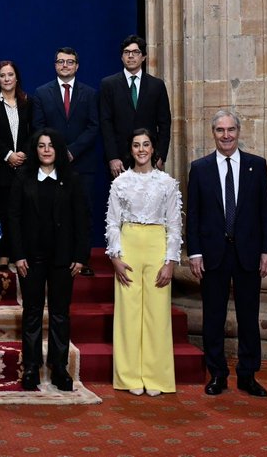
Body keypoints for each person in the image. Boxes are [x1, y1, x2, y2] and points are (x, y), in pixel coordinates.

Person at [186, 110, 267, 398]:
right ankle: (218, 375)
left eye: (231, 130)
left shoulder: (256, 166)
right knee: (213, 317)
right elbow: (194, 216)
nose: (226, 135)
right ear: (213, 133)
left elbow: (266, 212)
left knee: (249, 317)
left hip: (249, 254)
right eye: (220, 130)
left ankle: (248, 375)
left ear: (239, 131)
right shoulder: (199, 168)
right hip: (213, 255)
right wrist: (195, 253)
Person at [6, 129, 90, 392]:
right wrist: (17, 254)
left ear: (58, 149)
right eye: (41, 145)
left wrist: (80, 256)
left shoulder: (71, 179)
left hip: (63, 259)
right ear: (35, 149)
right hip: (29, 258)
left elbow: (82, 220)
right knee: (32, 313)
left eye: (51, 145)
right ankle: (31, 368)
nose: (46, 150)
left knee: (59, 314)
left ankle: (59, 368)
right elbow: (14, 219)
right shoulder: (23, 178)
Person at [105, 128, 181, 396]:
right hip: (129, 245)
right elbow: (113, 222)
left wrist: (170, 261)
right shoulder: (120, 182)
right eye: (136, 145)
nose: (141, 149)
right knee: (128, 313)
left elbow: (174, 225)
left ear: (152, 149)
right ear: (131, 149)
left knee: (157, 315)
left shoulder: (167, 183)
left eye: (146, 144)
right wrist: (115, 257)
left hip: (156, 246)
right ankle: (129, 377)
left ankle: (156, 377)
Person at [31, 47, 101, 252]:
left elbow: (93, 126)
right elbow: (38, 126)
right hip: (50, 163)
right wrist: (57, 151)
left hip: (82, 163)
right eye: (60, 61)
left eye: (69, 62)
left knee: (82, 211)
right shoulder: (42, 93)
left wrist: (72, 151)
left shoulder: (89, 93)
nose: (65, 65)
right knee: (52, 210)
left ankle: (82, 257)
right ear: (55, 66)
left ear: (77, 66)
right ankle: (54, 254)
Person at [99, 35, 172, 178]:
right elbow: (105, 123)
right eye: (126, 52)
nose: (131, 56)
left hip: (150, 158)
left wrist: (161, 156)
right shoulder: (108, 84)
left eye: (135, 52)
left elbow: (164, 123)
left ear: (143, 57)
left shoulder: (156, 85)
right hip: (119, 162)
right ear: (121, 57)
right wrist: (112, 157)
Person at [0, 60, 32, 265]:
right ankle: (2, 254)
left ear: (16, 77)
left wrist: (22, 154)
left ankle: (19, 252)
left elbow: (34, 131)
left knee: (23, 211)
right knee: (2, 211)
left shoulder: (29, 103)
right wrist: (8, 155)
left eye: (10, 75)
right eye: (2, 76)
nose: (7, 79)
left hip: (25, 166)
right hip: (1, 167)